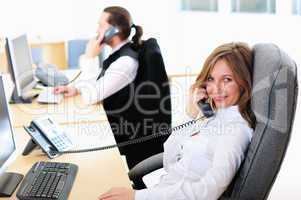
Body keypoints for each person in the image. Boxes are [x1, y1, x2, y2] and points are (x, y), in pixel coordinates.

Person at [97, 42, 256, 200]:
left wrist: (137, 196)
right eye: (211, 79)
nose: (216, 89)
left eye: (227, 79)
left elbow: (209, 191)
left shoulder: (235, 131)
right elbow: (170, 161)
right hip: (162, 190)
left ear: (244, 82)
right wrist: (190, 114)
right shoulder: (214, 116)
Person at [54, 6, 170, 169]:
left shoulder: (125, 62)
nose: (97, 30)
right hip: (118, 125)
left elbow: (91, 97)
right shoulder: (120, 53)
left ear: (113, 30)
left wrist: (88, 57)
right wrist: (77, 88)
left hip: (130, 134)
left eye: (101, 26)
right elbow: (102, 82)